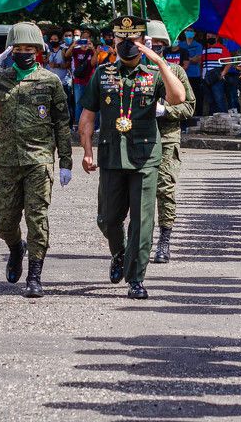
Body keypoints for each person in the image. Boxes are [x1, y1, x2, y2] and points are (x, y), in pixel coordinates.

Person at [0, 22, 72, 298]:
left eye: (29, 49)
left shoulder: (50, 81)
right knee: (5, 222)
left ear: (38, 51)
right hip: (9, 161)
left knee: (37, 218)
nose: (24, 53)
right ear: (11, 51)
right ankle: (15, 248)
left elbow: (62, 123)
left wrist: (65, 162)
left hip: (39, 160)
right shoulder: (0, 78)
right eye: (18, 48)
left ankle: (35, 276)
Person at [78, 15, 185, 300]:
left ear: (142, 41)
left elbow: (178, 98)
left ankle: (136, 278)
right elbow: (87, 116)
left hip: (145, 157)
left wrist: (159, 62)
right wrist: (87, 152)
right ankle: (119, 253)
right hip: (112, 155)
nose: (127, 44)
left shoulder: (154, 73)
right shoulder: (102, 74)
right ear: (113, 40)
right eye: (122, 39)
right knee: (107, 218)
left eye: (134, 39)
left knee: (142, 221)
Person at [146, 20, 195, 264]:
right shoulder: (132, 71)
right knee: (138, 193)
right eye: (150, 43)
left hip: (166, 138)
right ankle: (141, 239)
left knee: (164, 189)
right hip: (137, 140)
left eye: (159, 44)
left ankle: (164, 240)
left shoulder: (175, 72)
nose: (154, 47)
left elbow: (189, 107)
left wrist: (166, 111)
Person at [66, 27, 98, 126]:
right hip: (79, 81)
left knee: (92, 103)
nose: (85, 39)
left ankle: (93, 125)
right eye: (83, 37)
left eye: (87, 37)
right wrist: (73, 45)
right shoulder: (76, 50)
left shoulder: (92, 51)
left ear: (90, 39)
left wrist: (93, 50)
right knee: (78, 103)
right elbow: (67, 55)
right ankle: (78, 124)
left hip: (90, 81)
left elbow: (93, 63)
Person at [178, 29, 203, 124]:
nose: (189, 32)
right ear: (184, 33)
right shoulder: (181, 44)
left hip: (194, 74)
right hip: (182, 74)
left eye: (191, 31)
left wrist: (186, 58)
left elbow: (198, 59)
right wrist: (190, 58)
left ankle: (198, 115)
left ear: (194, 33)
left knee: (196, 95)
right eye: (187, 31)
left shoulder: (198, 45)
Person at [201, 33, 229, 113]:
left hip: (217, 79)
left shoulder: (222, 48)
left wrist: (222, 74)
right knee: (210, 101)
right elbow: (202, 64)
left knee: (219, 100)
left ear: (216, 37)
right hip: (206, 79)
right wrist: (202, 76)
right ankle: (213, 118)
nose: (209, 38)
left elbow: (228, 63)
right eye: (207, 36)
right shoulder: (204, 49)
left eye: (211, 36)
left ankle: (224, 117)